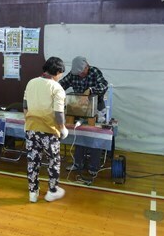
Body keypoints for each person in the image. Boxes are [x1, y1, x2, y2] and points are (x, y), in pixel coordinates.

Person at [23, 56, 68, 203]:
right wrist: (62, 129)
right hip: (49, 131)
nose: (61, 76)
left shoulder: (31, 82)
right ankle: (52, 191)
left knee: (32, 162)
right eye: (61, 73)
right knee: (53, 161)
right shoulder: (57, 88)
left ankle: (32, 193)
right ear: (58, 71)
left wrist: (29, 121)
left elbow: (24, 106)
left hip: (31, 129)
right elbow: (59, 113)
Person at [59, 56, 108, 175]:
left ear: (87, 66)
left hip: (96, 109)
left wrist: (91, 90)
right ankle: (77, 163)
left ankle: (94, 166)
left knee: (94, 136)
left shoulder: (95, 72)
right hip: (79, 109)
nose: (80, 75)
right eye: (78, 73)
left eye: (82, 72)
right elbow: (61, 84)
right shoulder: (74, 74)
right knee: (79, 134)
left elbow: (104, 85)